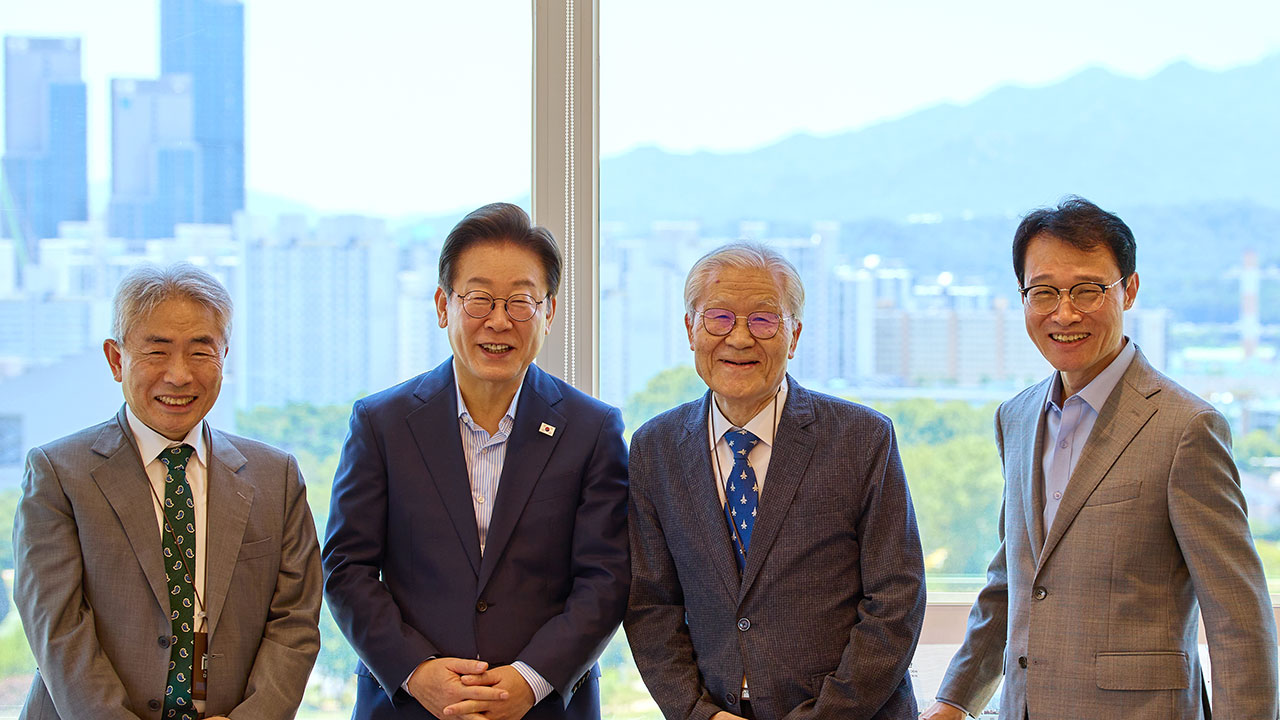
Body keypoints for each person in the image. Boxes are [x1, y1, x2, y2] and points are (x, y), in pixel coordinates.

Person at [921, 196, 1278, 720]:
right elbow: (1013, 581)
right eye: (1043, 292)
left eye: (1088, 290)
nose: (1065, 313)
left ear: (1129, 290)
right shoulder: (1016, 418)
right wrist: (955, 699)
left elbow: (1238, 619)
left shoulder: (1187, 428)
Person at [322, 202, 629, 720]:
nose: (500, 320)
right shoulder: (382, 424)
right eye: (480, 299)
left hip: (544, 708)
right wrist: (417, 672)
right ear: (444, 305)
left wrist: (530, 681)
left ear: (549, 312)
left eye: (521, 301)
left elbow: (607, 577)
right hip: (409, 706)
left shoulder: (592, 429)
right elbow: (346, 568)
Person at [625, 242, 926, 720]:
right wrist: (698, 713)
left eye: (764, 320)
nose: (740, 338)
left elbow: (896, 600)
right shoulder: (653, 448)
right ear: (690, 328)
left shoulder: (863, 438)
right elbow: (650, 605)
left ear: (795, 335)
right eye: (719, 317)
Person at [14, 263, 322, 720]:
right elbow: (58, 631)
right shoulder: (59, 474)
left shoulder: (275, 477)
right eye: (157, 352)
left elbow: (295, 623)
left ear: (224, 356)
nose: (179, 376)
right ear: (116, 359)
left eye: (201, 352)